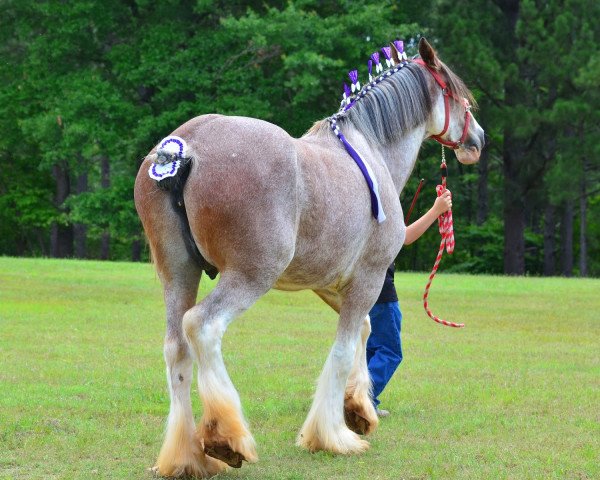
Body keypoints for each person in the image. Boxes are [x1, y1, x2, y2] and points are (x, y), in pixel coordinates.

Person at [367, 189, 453, 417]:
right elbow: (405, 237)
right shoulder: (381, 203)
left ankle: (361, 398)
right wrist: (436, 210)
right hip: (381, 291)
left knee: (369, 348)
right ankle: (362, 399)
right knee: (389, 350)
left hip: (362, 288)